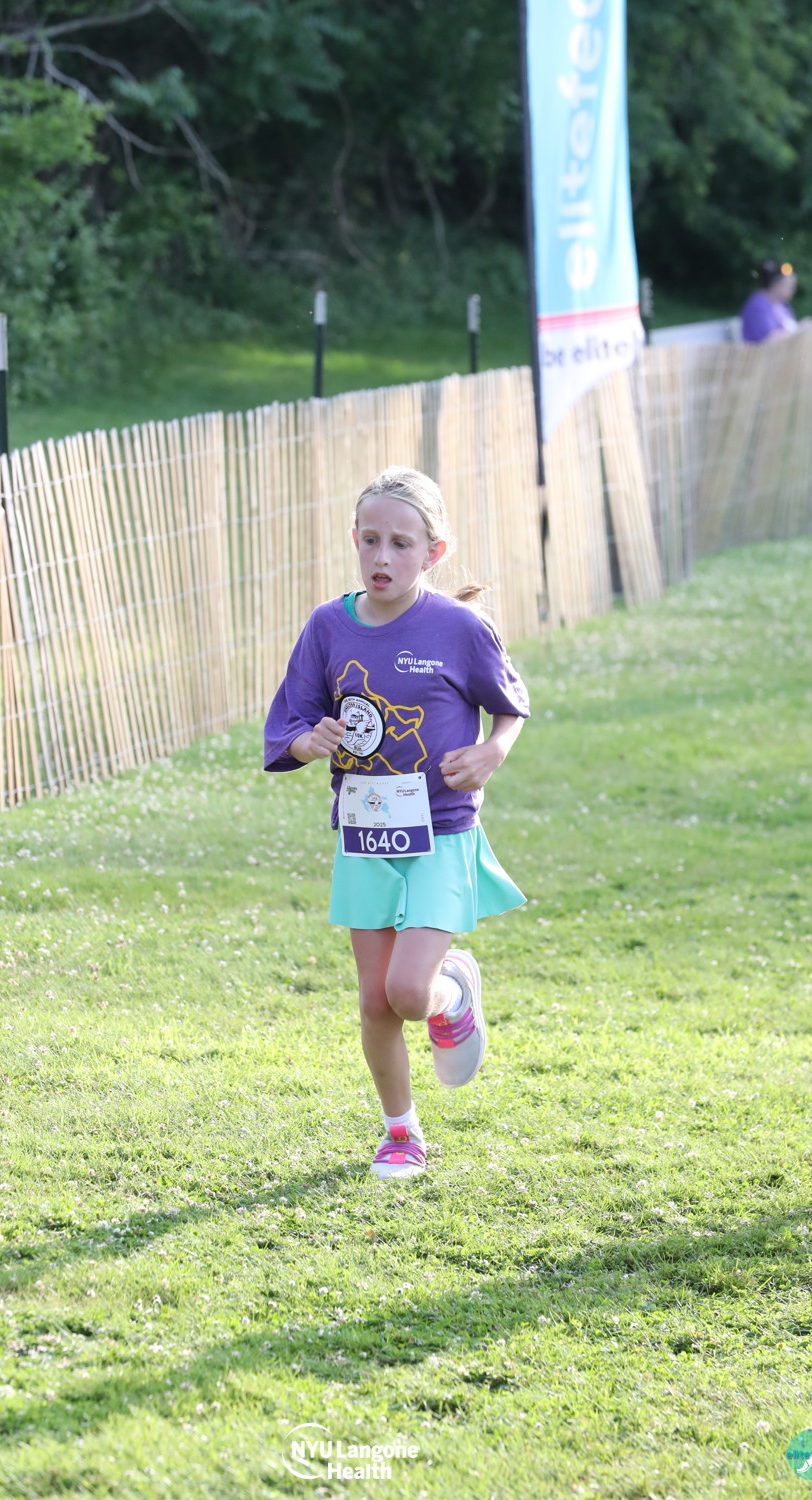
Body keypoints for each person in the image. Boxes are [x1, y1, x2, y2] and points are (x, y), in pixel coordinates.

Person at [263, 466, 530, 1180]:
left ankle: (451, 994)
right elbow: (291, 721)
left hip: (441, 831)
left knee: (409, 993)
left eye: (402, 544)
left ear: (433, 553)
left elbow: (510, 706)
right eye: (371, 540)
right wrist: (308, 741)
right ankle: (400, 1132)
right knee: (375, 1002)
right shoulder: (328, 626)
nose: (382, 557)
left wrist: (492, 753)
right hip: (364, 834)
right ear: (354, 539)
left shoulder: (460, 628)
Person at [740, 260, 805, 344]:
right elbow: (769, 339)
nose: (793, 291)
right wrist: (800, 330)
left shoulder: (782, 306)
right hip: (760, 352)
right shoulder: (758, 306)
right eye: (791, 287)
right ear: (776, 285)